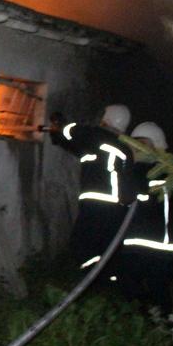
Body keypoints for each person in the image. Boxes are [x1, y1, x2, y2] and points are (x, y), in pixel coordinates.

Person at [48, 104, 136, 275]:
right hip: (115, 208)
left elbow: (74, 133)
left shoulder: (99, 138)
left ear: (107, 119)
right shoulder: (121, 149)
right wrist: (58, 138)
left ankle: (91, 280)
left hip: (97, 203)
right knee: (104, 246)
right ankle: (107, 281)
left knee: (81, 244)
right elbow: (81, 150)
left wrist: (61, 125)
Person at [118, 121, 173, 312]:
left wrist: (129, 167)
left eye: (141, 143)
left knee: (150, 292)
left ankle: (160, 328)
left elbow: (125, 196)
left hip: (151, 245)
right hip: (154, 244)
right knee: (150, 291)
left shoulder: (151, 171)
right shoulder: (170, 171)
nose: (136, 148)